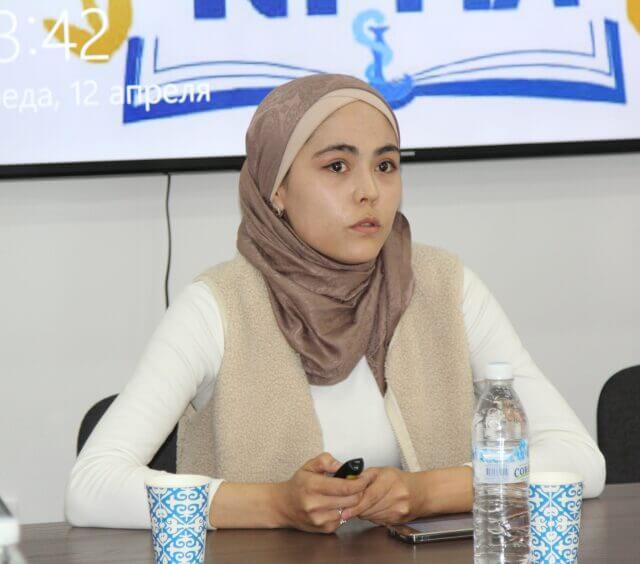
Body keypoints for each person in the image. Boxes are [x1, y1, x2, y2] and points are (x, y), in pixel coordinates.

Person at [64, 73, 605, 534]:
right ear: (276, 189)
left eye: (386, 166)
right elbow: (91, 488)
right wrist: (275, 505)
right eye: (337, 167)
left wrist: (428, 492)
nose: (369, 191)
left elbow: (579, 459)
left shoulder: (445, 286)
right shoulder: (217, 307)